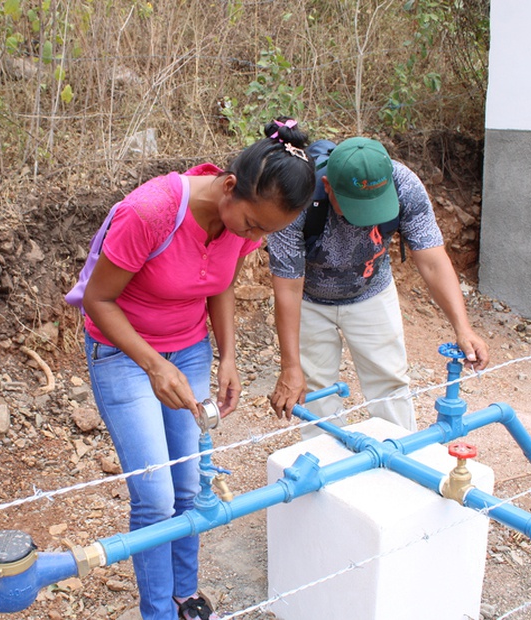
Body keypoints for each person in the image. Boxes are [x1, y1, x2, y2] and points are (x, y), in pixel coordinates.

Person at [79, 119, 316, 620]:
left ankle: (184, 597)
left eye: (267, 232)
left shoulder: (246, 221)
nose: (255, 236)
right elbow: (97, 301)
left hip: (188, 351)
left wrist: (226, 356)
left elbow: (220, 282)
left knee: (190, 486)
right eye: (252, 225)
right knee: (156, 495)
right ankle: (157, 612)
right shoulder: (151, 211)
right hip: (124, 353)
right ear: (229, 186)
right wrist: (153, 365)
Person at [267, 136, 489, 431]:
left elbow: (433, 260)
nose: (365, 219)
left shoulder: (404, 185)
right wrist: (290, 366)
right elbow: (288, 286)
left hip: (371, 291)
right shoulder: (296, 199)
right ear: (328, 186)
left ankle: (397, 457)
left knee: (389, 381)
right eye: (355, 207)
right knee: (316, 389)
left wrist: (463, 327)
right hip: (308, 301)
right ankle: (325, 466)